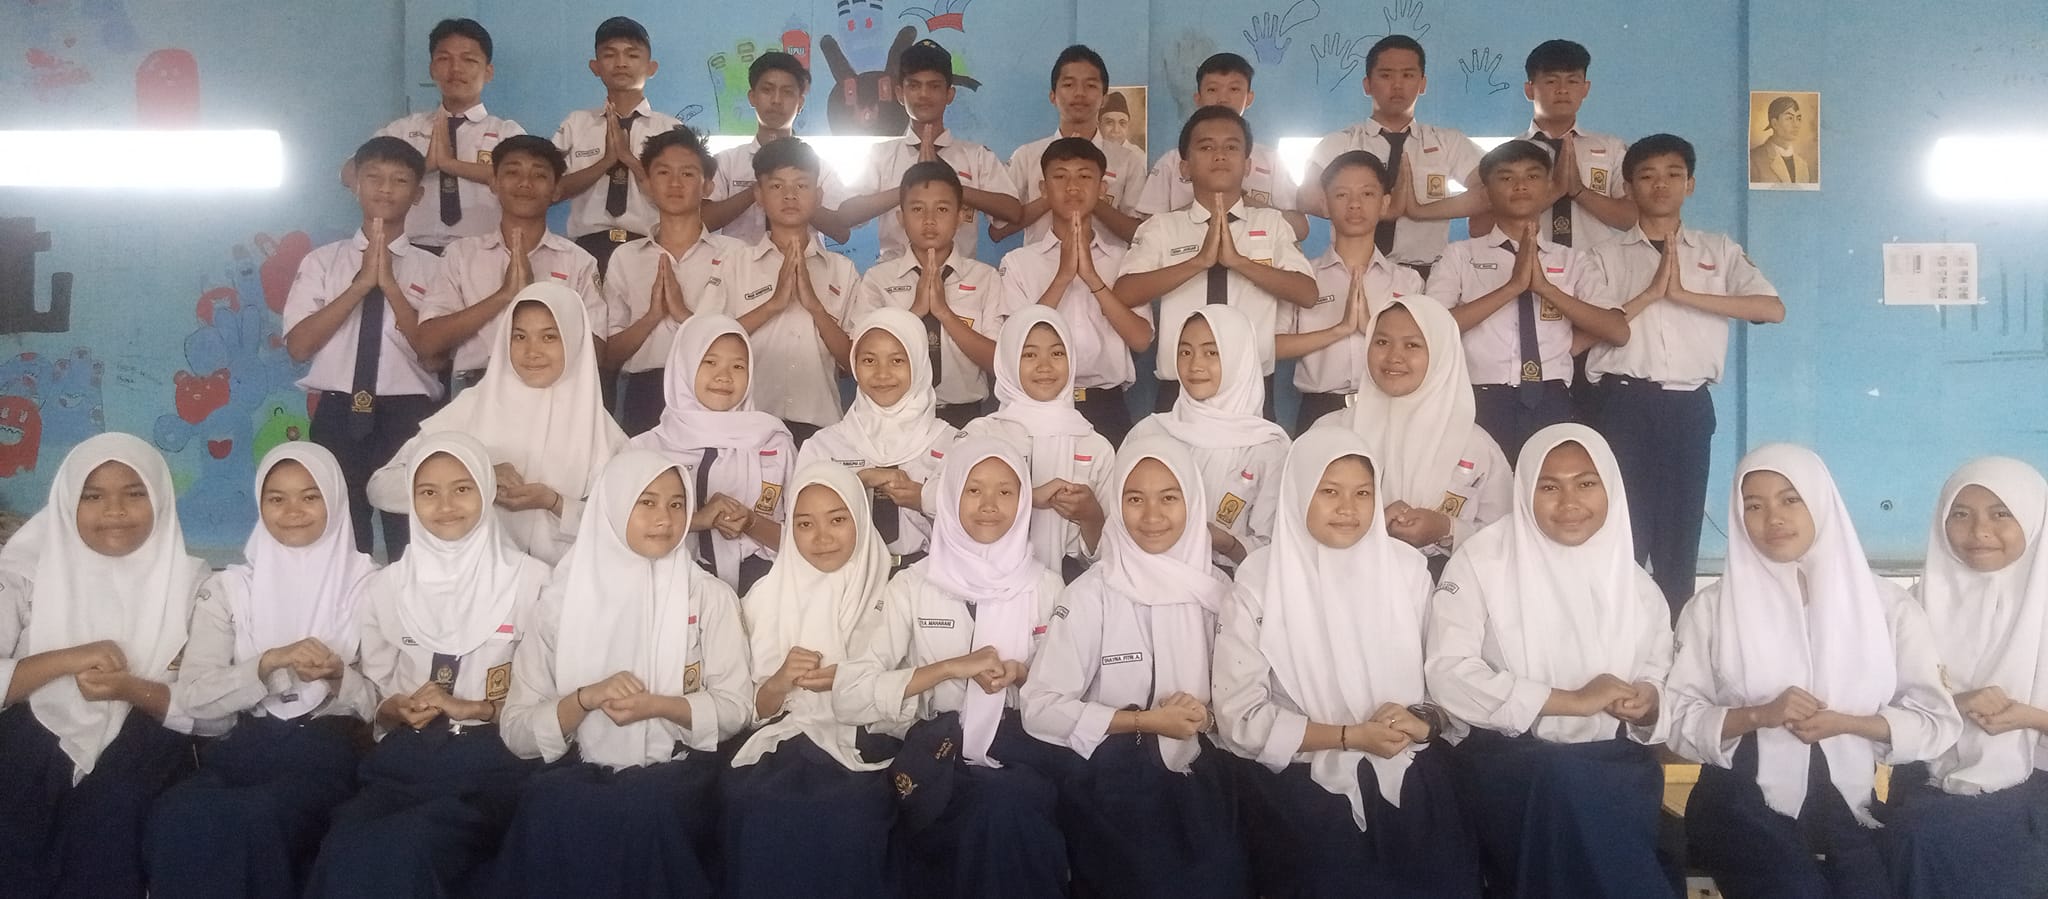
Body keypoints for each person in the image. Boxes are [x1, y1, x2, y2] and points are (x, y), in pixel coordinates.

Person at [1665, 445, 1963, 899]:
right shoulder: (1711, 608)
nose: (1773, 518)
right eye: (1754, 506)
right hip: (1740, 801)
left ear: (1822, 502)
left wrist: (1849, 723)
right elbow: (1678, 718)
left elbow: (1936, 720)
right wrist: (1758, 715)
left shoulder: (1887, 608)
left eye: (1791, 499)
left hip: (1850, 803)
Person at [1212, 427, 1481, 898]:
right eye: (1329, 491)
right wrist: (1348, 736)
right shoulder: (1258, 581)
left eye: (1363, 493)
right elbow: (1240, 716)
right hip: (1302, 780)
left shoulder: (1406, 570)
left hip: (1407, 764)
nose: (1348, 508)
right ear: (1299, 492)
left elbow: (1445, 682)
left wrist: (1422, 722)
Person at [1425, 424, 1676, 897]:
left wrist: (1647, 701)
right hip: (1511, 763)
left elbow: (1659, 676)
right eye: (1549, 487)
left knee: (1589, 803)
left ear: (1610, 487)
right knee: (1563, 788)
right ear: (1524, 490)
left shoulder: (1637, 587)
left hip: (1614, 767)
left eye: (1586, 483)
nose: (1569, 503)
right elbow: (1448, 672)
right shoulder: (1482, 562)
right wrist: (1572, 701)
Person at [492, 450, 751, 898]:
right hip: (579, 764)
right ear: (611, 507)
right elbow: (516, 729)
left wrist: (660, 707)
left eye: (676, 504)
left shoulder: (708, 596)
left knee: (645, 813)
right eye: (646, 502)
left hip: (679, 767)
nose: (665, 518)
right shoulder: (559, 603)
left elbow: (736, 708)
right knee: (550, 807)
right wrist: (583, 700)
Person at [304, 434, 549, 898]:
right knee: (343, 846)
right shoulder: (387, 587)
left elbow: (549, 700)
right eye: (428, 492)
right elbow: (378, 691)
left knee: (408, 846)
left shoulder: (531, 582)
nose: (445, 506)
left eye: (462, 489)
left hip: (492, 763)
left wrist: (475, 709)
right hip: (404, 762)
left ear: (486, 490)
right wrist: (393, 708)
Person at [833, 438, 1071, 898]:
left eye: (1006, 491)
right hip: (937, 750)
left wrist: (1020, 674)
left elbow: (1066, 690)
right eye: (973, 490)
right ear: (949, 495)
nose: (989, 505)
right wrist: (949, 668)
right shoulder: (913, 585)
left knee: (1006, 805)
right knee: (991, 810)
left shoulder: (1045, 586)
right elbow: (850, 695)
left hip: (1021, 747)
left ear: (1024, 501)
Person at [145, 444, 378, 899]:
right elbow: (194, 695)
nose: (292, 512)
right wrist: (268, 663)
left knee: (254, 818)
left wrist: (337, 677)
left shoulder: (371, 587)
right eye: (277, 498)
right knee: (177, 813)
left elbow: (385, 705)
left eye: (310, 497)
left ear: (335, 500)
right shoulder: (229, 589)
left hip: (328, 751)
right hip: (242, 746)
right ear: (260, 504)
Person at [1022, 437, 1249, 898]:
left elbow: (1246, 703)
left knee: (1219, 873)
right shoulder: (1092, 592)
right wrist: (1144, 722)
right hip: (1113, 780)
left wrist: (1205, 718)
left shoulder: (1220, 592)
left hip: (1206, 774)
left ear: (1193, 501)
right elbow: (1039, 708)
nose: (1151, 516)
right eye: (1134, 499)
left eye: (1169, 498)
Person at [0, 433, 212, 898]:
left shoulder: (195, 586)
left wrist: (129, 688)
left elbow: (208, 708)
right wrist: (69, 658)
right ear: (66, 504)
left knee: (114, 808)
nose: (114, 511)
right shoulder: (23, 576)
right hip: (34, 720)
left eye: (134, 494)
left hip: (148, 731)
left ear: (159, 498)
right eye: (92, 497)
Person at [1585, 133, 1784, 609]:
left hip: (1688, 406)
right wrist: (1653, 293)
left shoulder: (1718, 249)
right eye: (1647, 176)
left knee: (1680, 532)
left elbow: (1771, 308)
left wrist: (1683, 295)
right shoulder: (1602, 257)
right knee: (1623, 529)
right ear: (1629, 187)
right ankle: (1624, 634)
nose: (1661, 185)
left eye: (1673, 175)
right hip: (1623, 403)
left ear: (1690, 184)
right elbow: (1594, 326)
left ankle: (1677, 634)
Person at [721, 464, 902, 898]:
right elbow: (746, 708)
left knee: (847, 812)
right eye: (804, 524)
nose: (821, 537)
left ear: (860, 518)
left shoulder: (895, 592)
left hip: (867, 738)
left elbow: (910, 694)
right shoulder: (765, 596)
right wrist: (781, 680)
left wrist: (853, 683)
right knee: (760, 806)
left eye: (837, 520)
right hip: (782, 737)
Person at [1881, 458, 2048, 899]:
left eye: (2000, 514)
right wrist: (1952, 705)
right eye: (1961, 514)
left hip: (2037, 784)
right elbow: (1877, 706)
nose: (1979, 531)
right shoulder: (1913, 607)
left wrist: (2031, 718)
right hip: (1928, 778)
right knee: (1917, 831)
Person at [370, 283, 628, 566]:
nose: (532, 351)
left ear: (575, 339)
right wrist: (479, 477)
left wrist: (555, 503)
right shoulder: (472, 407)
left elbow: (623, 525)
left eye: (549, 337)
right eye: (520, 336)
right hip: (476, 577)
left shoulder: (602, 432)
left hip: (565, 582)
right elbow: (382, 486)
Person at [287, 136, 446, 558]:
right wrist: (359, 286)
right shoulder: (322, 262)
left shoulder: (437, 269)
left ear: (418, 194)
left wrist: (390, 286)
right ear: (356, 184)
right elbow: (299, 346)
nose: (385, 189)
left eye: (400, 180)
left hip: (409, 415)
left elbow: (435, 357)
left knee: (410, 537)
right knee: (340, 536)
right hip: (337, 413)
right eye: (374, 177)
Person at [1425, 139, 1627, 458]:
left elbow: (1618, 331)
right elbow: (1430, 329)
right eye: (1506, 177)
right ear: (1486, 192)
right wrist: (1511, 288)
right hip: (1478, 397)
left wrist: (1546, 289)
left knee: (1547, 487)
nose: (1520, 185)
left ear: (1548, 187)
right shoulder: (1459, 255)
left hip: (1552, 396)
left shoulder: (1573, 259)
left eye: (1532, 176)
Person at [1117, 106, 1317, 412]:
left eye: (1231, 147)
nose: (1220, 155)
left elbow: (1307, 293)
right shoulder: (1162, 227)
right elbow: (1124, 293)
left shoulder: (1273, 223)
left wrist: (1239, 262)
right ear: (1184, 167)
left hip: (1252, 388)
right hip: (1180, 388)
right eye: (1206, 147)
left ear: (1247, 166)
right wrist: (1197, 262)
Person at [1323, 297, 1511, 573]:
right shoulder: (1331, 434)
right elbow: (1296, 517)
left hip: (1449, 585)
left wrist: (1447, 529)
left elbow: (1505, 540)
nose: (1394, 356)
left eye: (1412, 345)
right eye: (1381, 342)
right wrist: (1373, 525)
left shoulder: (1476, 446)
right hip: (1344, 577)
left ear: (1442, 353)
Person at [415, 135, 607, 390]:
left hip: (555, 387)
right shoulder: (460, 254)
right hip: (476, 387)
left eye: (539, 175)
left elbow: (598, 351)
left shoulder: (579, 261)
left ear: (556, 190)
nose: (525, 183)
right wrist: (504, 295)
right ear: (494, 182)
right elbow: (427, 343)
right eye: (513, 172)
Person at [996, 138, 1153, 444]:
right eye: (1060, 176)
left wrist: (1092, 278)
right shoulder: (1018, 263)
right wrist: (1064, 276)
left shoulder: (1125, 259)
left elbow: (1141, 340)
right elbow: (1013, 347)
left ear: (1102, 189)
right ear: (1043, 189)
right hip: (1036, 403)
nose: (1072, 187)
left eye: (1084, 176)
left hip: (1106, 405)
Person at [1299, 35, 1484, 282]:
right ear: (1367, 84)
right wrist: (1386, 210)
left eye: (1408, 75)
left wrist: (1418, 211)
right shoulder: (1340, 143)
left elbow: (1489, 192)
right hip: (1352, 272)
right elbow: (1307, 197)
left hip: (1429, 275)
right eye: (1386, 75)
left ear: (1422, 83)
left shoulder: (1448, 142)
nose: (1397, 85)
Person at [630, 315, 794, 593]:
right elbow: (620, 530)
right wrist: (697, 520)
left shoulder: (775, 441)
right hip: (673, 591)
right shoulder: (646, 449)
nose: (724, 376)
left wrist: (751, 522)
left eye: (738, 366)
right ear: (684, 364)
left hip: (765, 591)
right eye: (709, 362)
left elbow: (804, 535)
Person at [601, 126, 745, 435]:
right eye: (663, 172)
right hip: (642, 394)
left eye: (688, 174)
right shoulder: (626, 257)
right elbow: (609, 357)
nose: (675, 183)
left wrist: (683, 315)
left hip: (715, 391)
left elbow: (748, 341)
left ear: (707, 186)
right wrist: (652, 316)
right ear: (648, 184)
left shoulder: (736, 255)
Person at [1128, 307, 1290, 571]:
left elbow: (1274, 551)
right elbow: (1119, 523)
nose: (1195, 365)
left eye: (1211, 352)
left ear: (1240, 357)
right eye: (1185, 352)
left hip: (1232, 586)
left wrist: (1227, 544)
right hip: (1147, 576)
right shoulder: (1149, 433)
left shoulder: (1267, 448)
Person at [847, 162, 1005, 429]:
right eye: (917, 209)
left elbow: (997, 362)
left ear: (960, 216)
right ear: (901, 217)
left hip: (964, 417)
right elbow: (859, 357)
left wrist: (944, 312)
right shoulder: (878, 280)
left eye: (942, 209)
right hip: (893, 418)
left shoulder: (985, 278)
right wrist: (916, 312)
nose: (929, 220)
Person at [723, 138, 860, 443]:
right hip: (747, 426)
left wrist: (816, 308)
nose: (789, 195)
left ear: (819, 195)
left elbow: (856, 363)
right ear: (759, 195)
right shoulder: (734, 264)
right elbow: (707, 345)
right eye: (776, 186)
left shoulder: (843, 270)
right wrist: (772, 306)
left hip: (821, 429)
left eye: (801, 185)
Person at [962, 307, 1114, 581]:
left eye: (1057, 353)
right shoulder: (982, 435)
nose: (1045, 366)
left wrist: (1090, 515)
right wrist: (1030, 497)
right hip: (987, 575)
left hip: (1070, 582)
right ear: (1008, 360)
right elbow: (943, 504)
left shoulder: (1095, 445)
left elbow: (1109, 554)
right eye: (1029, 355)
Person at [350, 18, 524, 255]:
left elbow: (524, 181)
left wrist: (451, 165)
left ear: (488, 72)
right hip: (410, 253)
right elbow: (350, 172)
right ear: (432, 69)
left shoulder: (507, 133)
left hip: (482, 253)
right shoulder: (403, 130)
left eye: (469, 60)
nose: (456, 69)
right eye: (444, 59)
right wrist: (424, 166)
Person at [836, 39, 1021, 262]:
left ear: (949, 94)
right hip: (894, 276)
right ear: (899, 94)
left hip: (960, 276)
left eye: (934, 86)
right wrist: (910, 187)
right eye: (914, 86)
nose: (923, 94)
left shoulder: (976, 156)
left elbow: (1013, 211)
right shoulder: (880, 155)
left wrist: (950, 186)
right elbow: (845, 214)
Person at [1282, 150, 1422, 432]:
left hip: (1390, 409)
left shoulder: (1408, 281)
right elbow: (1274, 346)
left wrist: (1371, 327)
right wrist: (1340, 329)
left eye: (1367, 194)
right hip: (1319, 410)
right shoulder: (1301, 277)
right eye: (1342, 195)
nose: (1355, 204)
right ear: (1325, 204)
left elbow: (1422, 349)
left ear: (1385, 203)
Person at [551, 16, 684, 274]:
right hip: (585, 250)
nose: (621, 63)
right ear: (595, 67)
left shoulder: (671, 129)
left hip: (649, 248)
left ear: (652, 67)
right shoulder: (576, 123)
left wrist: (630, 160)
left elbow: (679, 198)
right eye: (610, 54)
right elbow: (551, 191)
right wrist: (606, 163)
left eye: (632, 55)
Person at [1136, 52, 1307, 240]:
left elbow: (1300, 229)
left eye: (1234, 89)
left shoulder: (1272, 161)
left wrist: (1239, 200)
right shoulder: (1171, 162)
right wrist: (1204, 203)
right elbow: (1147, 233)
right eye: (1212, 89)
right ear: (1198, 98)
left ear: (1249, 98)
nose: (1223, 99)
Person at [994, 45, 1149, 248]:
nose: (1079, 93)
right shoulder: (1027, 157)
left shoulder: (1128, 161)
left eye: (1090, 85)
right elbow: (998, 230)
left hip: (1107, 267)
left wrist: (1089, 196)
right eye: (1068, 84)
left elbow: (1141, 236)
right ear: (1053, 96)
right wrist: (1052, 194)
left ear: (1104, 98)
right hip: (1040, 267)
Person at [706, 51, 853, 246]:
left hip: (805, 262)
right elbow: (702, 221)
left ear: (800, 103)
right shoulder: (726, 162)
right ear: (752, 97)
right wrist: (759, 189)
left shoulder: (819, 167)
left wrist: (797, 196)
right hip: (737, 264)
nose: (776, 100)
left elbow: (841, 233)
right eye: (767, 90)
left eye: (787, 92)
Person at [1508, 39, 1634, 248]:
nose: (1562, 90)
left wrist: (1580, 192)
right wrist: (1555, 191)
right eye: (1551, 81)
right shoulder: (1508, 154)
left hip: (1596, 264)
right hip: (1529, 261)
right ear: (1529, 90)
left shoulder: (1612, 149)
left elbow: (1633, 219)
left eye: (1573, 81)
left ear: (1586, 88)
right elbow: (1488, 224)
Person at [1748, 96, 1816, 185]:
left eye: (1798, 118)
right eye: (1789, 118)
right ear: (1774, 123)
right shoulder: (1753, 159)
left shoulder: (1803, 165)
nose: (1796, 125)